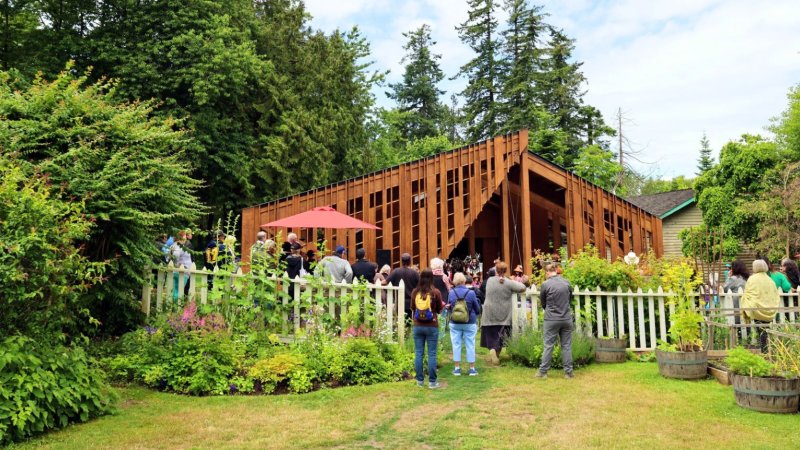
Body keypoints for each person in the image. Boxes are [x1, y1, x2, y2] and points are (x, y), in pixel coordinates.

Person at [480, 262, 526, 365]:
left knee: (490, 333)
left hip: (489, 312)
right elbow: (522, 287)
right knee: (501, 335)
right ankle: (497, 354)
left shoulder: (489, 281)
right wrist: (511, 279)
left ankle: (492, 350)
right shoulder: (508, 282)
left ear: (495, 270)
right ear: (506, 271)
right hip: (504, 313)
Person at [536, 263, 575, 379]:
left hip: (551, 318)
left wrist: (548, 310)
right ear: (556, 271)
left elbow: (543, 302)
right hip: (566, 318)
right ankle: (568, 372)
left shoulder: (545, 284)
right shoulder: (566, 282)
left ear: (547, 272)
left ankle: (543, 372)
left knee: (548, 345)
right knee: (566, 346)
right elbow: (570, 298)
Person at [411, 269, 444, 389]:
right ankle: (432, 382)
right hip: (432, 326)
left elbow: (413, 308)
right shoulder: (435, 292)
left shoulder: (415, 292)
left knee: (419, 353)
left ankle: (419, 381)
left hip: (418, 326)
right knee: (432, 354)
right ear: (432, 278)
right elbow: (439, 309)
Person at [446, 272, 482, 376]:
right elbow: (477, 309)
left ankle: (457, 368)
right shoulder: (470, 293)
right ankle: (472, 369)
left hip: (455, 322)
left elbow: (449, 308)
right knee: (470, 344)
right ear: (464, 281)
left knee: (456, 344)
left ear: (455, 281)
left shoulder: (451, 293)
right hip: (469, 322)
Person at [741, 259, 780, 353]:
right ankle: (765, 350)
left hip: (757, 309)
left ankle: (764, 351)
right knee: (765, 330)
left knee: (760, 330)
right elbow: (774, 294)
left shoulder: (752, 279)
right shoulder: (770, 280)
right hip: (769, 309)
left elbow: (748, 293)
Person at [386, 253, 420, 321]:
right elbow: (420, 285)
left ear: (401, 261)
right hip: (411, 302)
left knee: (400, 321)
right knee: (410, 321)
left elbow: (386, 282)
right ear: (410, 261)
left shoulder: (396, 271)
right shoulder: (414, 273)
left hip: (399, 301)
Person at [723, 260, 750, 336]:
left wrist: (728, 277)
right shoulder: (746, 278)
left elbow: (724, 288)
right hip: (747, 307)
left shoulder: (733, 279)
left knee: (738, 330)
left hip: (735, 307)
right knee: (747, 327)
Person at [171, 230, 192, 301]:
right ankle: (176, 306)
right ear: (182, 237)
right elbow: (175, 255)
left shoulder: (176, 245)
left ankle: (174, 306)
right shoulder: (178, 245)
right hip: (181, 272)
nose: (186, 237)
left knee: (176, 290)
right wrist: (177, 264)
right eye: (185, 235)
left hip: (181, 271)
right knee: (178, 290)